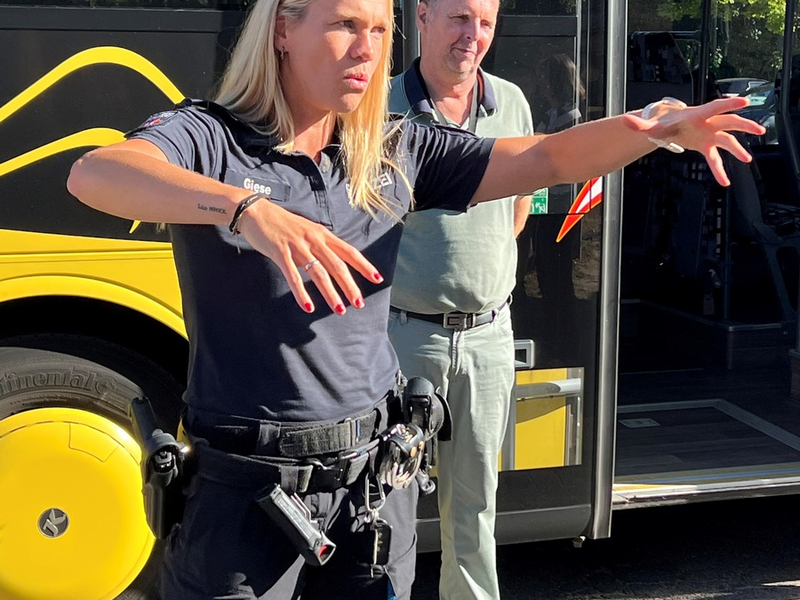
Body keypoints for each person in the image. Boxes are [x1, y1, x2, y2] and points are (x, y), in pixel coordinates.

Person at [65, 0, 763, 596]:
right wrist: (245, 209)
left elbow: (546, 158)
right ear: (282, 28)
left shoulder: (394, 149)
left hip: (369, 492)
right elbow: (97, 174)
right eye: (344, 25)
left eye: (378, 30)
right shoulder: (212, 137)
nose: (365, 49)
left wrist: (650, 129)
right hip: (246, 495)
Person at [385, 0, 532, 597]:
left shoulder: (513, 104)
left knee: (475, 508)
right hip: (401, 337)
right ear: (422, 16)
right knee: (380, 504)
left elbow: (519, 205)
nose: (473, 35)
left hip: (488, 339)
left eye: (485, 22)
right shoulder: (379, 106)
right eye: (460, 18)